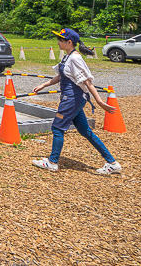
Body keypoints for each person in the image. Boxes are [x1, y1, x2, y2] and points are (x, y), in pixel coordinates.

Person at [31, 28, 122, 175]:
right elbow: (61, 76)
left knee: (58, 128)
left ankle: (52, 162)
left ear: (69, 42)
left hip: (72, 99)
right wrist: (44, 85)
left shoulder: (75, 58)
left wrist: (99, 101)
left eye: (61, 40)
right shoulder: (68, 57)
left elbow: (87, 82)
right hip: (74, 99)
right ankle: (112, 163)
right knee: (85, 131)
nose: (58, 42)